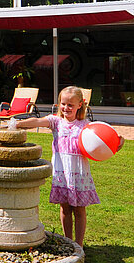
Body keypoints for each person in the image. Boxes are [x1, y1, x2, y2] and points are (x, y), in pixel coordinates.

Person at [10, 85, 121, 246]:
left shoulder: (85, 125)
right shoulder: (56, 122)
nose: (66, 108)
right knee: (65, 208)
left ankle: (79, 244)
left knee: (80, 209)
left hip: (79, 173)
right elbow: (37, 121)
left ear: (79, 105)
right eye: (63, 104)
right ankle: (68, 241)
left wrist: (119, 141)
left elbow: (105, 137)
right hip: (61, 172)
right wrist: (19, 124)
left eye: (70, 105)